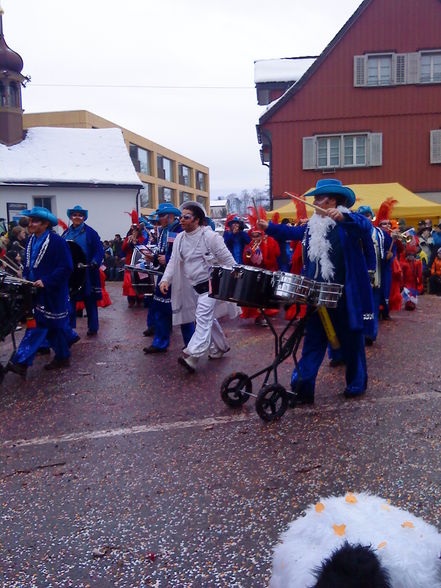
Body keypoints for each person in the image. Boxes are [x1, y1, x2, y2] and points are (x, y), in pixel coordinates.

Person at [258, 179, 374, 403]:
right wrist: (269, 227)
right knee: (312, 342)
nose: (315, 202)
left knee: (352, 342)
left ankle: (356, 383)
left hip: (345, 297)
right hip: (315, 296)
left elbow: (365, 226)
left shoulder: (348, 223)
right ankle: (302, 389)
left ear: (332, 200)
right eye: (315, 199)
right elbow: (291, 233)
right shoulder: (311, 227)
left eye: (319, 199)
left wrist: (345, 217)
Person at [159, 201, 238, 373]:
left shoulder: (211, 237)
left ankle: (192, 356)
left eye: (186, 217)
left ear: (198, 220)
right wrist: (165, 280)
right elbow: (173, 261)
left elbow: (230, 262)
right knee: (207, 318)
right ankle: (220, 347)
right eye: (181, 217)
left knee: (202, 318)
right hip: (193, 287)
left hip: (212, 286)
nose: (181, 220)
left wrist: (232, 285)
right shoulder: (179, 238)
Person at [6, 206, 74, 377]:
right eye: (29, 220)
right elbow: (31, 264)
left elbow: (67, 267)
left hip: (53, 291)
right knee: (51, 327)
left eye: (34, 221)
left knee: (39, 326)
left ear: (45, 224)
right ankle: (63, 356)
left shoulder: (57, 242)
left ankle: (20, 362)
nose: (30, 224)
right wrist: (25, 275)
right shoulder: (30, 240)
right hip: (35, 291)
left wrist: (46, 281)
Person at [143, 202, 194, 354]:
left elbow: (186, 253)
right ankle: (160, 342)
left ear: (171, 216)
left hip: (180, 277)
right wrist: (153, 258)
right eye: (158, 216)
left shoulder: (181, 231)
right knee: (160, 309)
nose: (158, 219)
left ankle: (191, 345)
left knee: (183, 312)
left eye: (161, 216)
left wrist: (166, 258)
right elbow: (164, 252)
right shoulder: (164, 231)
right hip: (165, 276)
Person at [62, 205, 104, 336]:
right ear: (70, 217)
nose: (77, 217)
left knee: (90, 300)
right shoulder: (66, 233)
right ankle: (69, 329)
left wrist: (95, 262)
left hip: (87, 271)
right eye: (74, 215)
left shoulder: (91, 232)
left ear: (84, 217)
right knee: (70, 300)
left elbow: (99, 250)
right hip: (71, 273)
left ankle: (93, 327)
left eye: (80, 215)